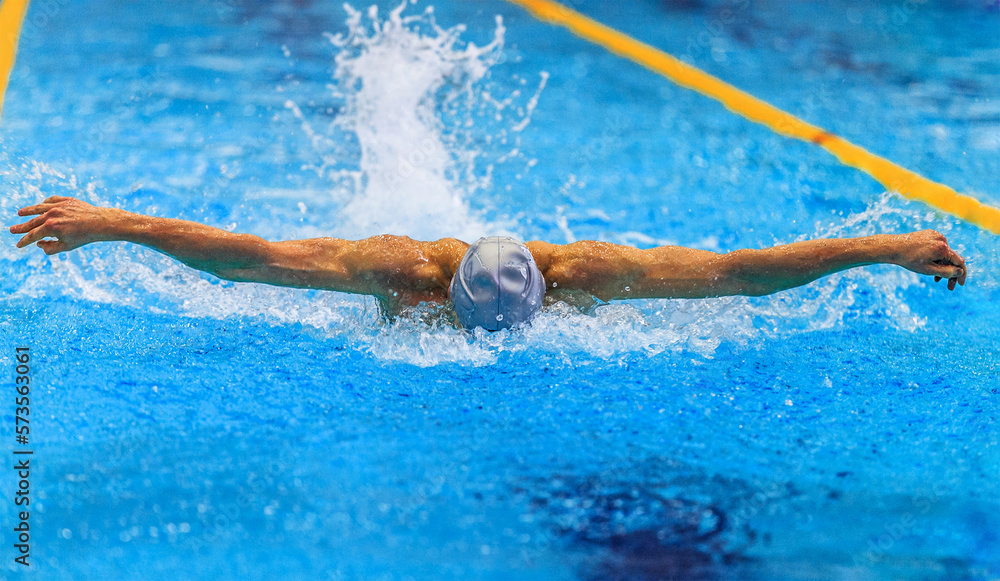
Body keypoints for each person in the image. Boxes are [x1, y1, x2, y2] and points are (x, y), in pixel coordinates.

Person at [9, 196, 967, 331]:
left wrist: (886, 248)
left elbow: (742, 271)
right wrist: (107, 220)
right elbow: (249, 260)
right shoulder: (398, 271)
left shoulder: (592, 271)